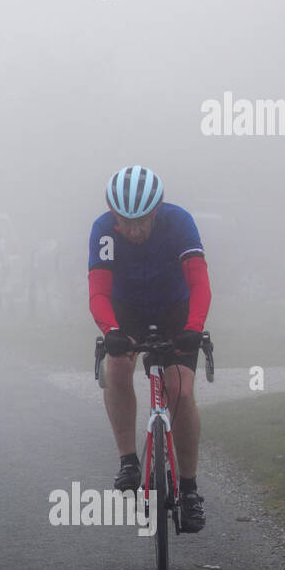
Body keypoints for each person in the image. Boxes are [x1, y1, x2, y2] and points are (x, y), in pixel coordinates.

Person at [87, 166, 212, 532]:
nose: (134, 230)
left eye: (142, 222)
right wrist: (110, 331)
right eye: (126, 222)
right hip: (126, 309)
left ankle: (188, 489)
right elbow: (98, 292)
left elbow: (200, 283)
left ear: (156, 212)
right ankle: (128, 460)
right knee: (119, 368)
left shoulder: (180, 223)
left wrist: (193, 329)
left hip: (176, 309)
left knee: (180, 391)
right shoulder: (103, 230)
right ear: (114, 216)